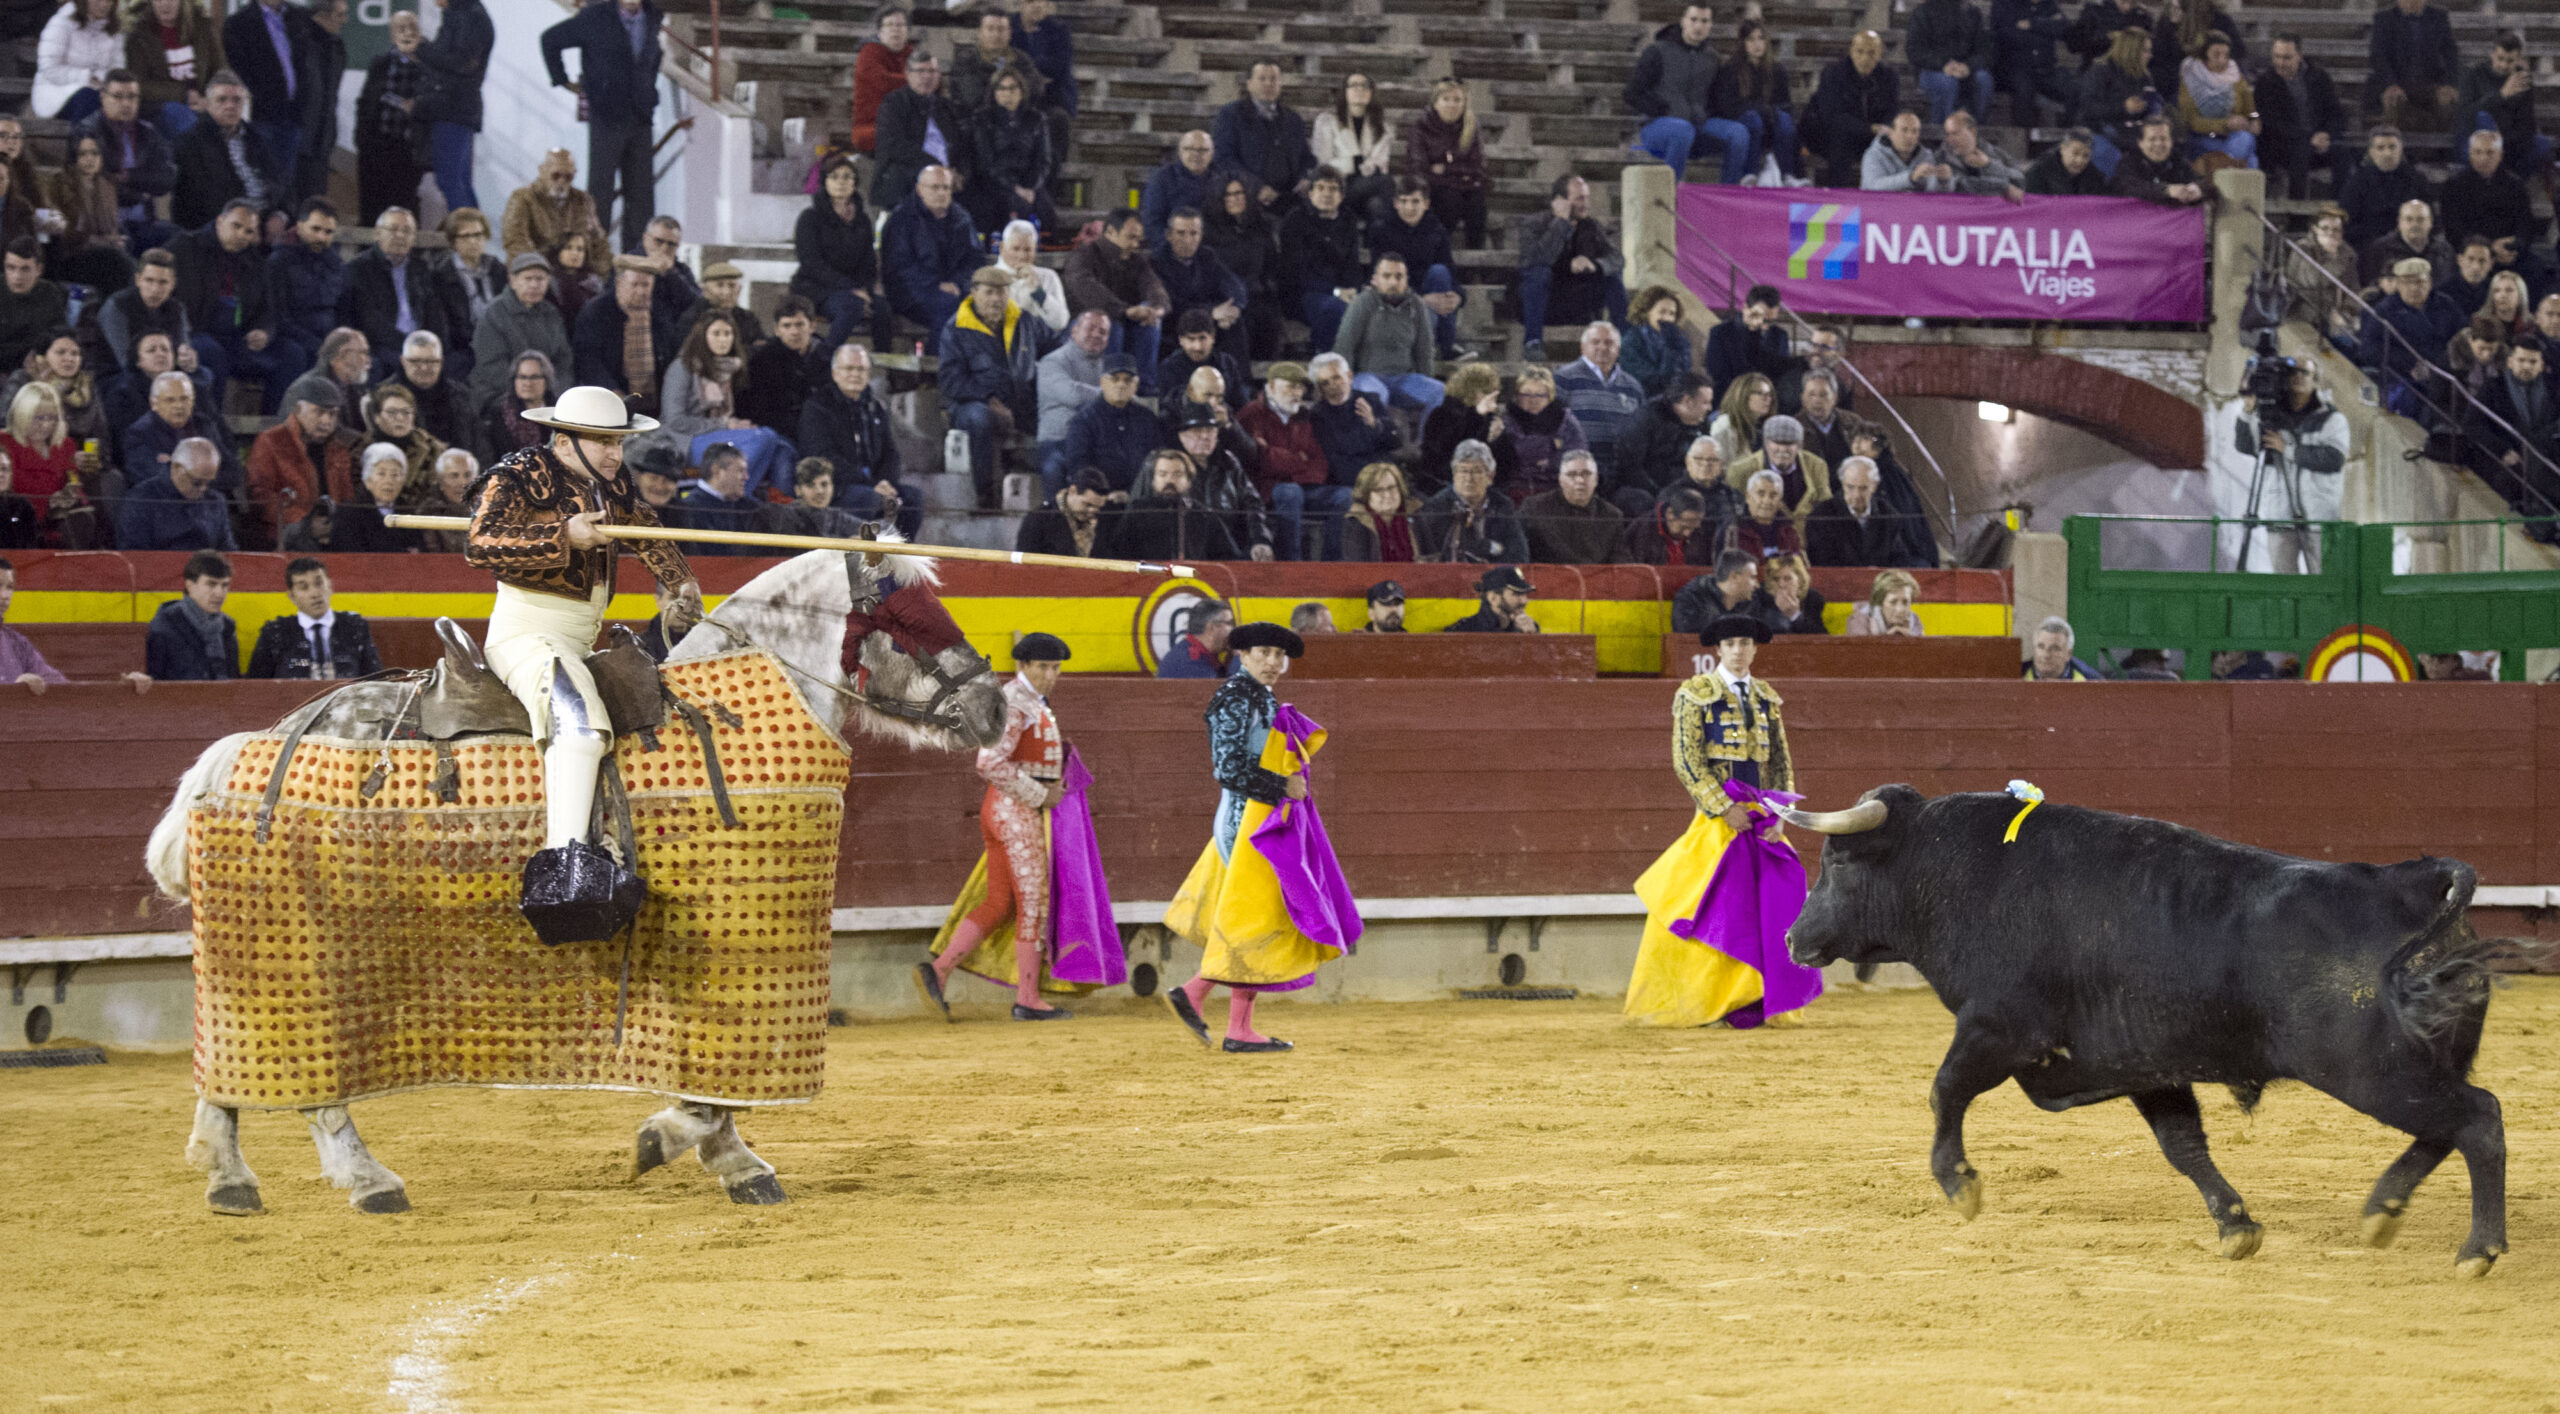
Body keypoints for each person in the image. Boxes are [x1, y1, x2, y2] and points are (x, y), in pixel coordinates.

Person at [464, 384, 701, 940]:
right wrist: (562, 535)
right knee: (578, 726)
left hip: (578, 639)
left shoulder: (609, 482)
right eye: (602, 441)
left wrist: (680, 580)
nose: (615, 453)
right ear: (565, 441)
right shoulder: (518, 474)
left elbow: (643, 528)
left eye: (618, 442)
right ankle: (563, 873)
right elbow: (479, 544)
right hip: (525, 636)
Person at [1162, 621, 1356, 1053]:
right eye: (1263, 653)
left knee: (1251, 915)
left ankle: (1233, 1023)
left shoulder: (1259, 695)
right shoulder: (1235, 696)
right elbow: (1227, 769)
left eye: (1278, 655)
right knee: (1257, 916)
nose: (1272, 661)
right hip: (1244, 819)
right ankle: (1200, 998)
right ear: (1243, 655)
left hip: (1259, 818)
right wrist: (1280, 785)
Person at [1624, 611, 1815, 1029]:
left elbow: (1781, 763)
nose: (1738, 651)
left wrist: (1780, 814)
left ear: (1754, 649)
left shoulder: (1767, 698)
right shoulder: (1695, 694)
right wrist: (1723, 808)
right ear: (1718, 649)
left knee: (1767, 906)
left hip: (1761, 819)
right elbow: (1687, 760)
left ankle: (1754, 997)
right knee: (1707, 903)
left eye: (1745, 644)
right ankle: (1705, 998)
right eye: (1731, 644)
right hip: (1717, 821)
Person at [917, 629, 1090, 1022]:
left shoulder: (1028, 701)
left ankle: (938, 972)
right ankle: (1028, 998)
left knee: (1000, 902)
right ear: (1022, 665)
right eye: (1043, 666)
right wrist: (1040, 794)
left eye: (1056, 667)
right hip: (1016, 813)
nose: (1051, 674)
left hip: (1004, 811)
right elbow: (989, 762)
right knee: (1035, 903)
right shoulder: (1014, 702)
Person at [540, 0, 663, 253]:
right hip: (607, 116)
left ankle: (636, 260)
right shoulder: (595, 16)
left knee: (641, 197)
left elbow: (650, 59)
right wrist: (561, 79)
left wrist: (648, 91)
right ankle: (596, 259)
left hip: (640, 116)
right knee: (600, 193)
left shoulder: (653, 16)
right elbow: (550, 39)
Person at [794, 342, 921, 538]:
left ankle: (899, 554)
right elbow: (823, 456)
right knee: (871, 500)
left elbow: (890, 453)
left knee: (912, 498)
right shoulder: (817, 407)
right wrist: (871, 484)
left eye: (861, 369)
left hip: (874, 483)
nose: (855, 374)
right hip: (839, 486)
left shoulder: (874, 406)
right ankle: (862, 555)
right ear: (835, 373)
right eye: (849, 368)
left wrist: (885, 481)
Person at [1625, 4, 1748, 183]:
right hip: (1658, 126)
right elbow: (1632, 93)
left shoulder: (1712, 58)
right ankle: (1670, 192)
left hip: (1698, 125)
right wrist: (1660, 109)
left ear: (1710, 25)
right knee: (1682, 130)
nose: (1698, 26)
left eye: (1704, 21)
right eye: (1693, 20)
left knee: (1738, 133)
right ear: (1683, 21)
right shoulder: (1657, 51)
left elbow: (1717, 99)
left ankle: (1729, 192)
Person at [335, 208, 458, 384]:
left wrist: (437, 345)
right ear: (377, 234)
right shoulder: (359, 269)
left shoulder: (422, 269)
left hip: (422, 346)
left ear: (413, 237)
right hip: (381, 347)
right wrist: (410, 345)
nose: (400, 235)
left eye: (407, 231)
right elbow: (370, 321)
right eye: (393, 229)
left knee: (452, 363)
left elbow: (436, 315)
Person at [70, 67, 175, 258]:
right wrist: (141, 193)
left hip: (144, 220)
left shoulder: (148, 132)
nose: (126, 103)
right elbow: (94, 181)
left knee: (179, 239)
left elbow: (167, 178)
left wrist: (127, 176)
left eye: (132, 97)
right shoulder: (86, 132)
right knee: (123, 245)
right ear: (103, 97)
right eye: (118, 97)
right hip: (104, 222)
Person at [1062, 208, 1169, 384]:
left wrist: (1156, 309)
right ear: (1111, 231)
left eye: (1138, 239)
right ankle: (1109, 385)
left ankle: (1144, 387)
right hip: (1080, 326)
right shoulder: (1083, 256)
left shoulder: (1136, 260)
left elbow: (1153, 286)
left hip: (1125, 322)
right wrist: (1124, 311)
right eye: (1131, 237)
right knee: (1108, 322)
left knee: (1149, 320)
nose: (1136, 244)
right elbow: (1088, 289)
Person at [167, 70, 282, 232]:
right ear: (208, 104)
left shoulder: (258, 139)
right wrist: (245, 226)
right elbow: (200, 202)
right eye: (222, 100)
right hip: (221, 229)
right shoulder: (189, 143)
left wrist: (280, 216)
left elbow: (283, 187)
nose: (230, 106)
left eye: (236, 100)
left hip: (265, 224)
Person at [1516, 174, 1625, 345]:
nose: (1586, 204)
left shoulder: (1591, 225)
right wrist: (1561, 222)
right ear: (1560, 201)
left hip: (1577, 302)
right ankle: (1533, 342)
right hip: (1545, 302)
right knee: (1538, 273)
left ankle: (1625, 343)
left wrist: (1594, 265)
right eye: (1580, 198)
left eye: (1587, 198)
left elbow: (1617, 259)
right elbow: (1536, 259)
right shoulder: (1534, 224)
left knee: (1612, 277)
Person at [2462, 336, 2557, 528]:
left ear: (2541, 365)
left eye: (2533, 362)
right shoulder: (2493, 388)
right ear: (2510, 362)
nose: (2526, 366)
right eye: (2521, 360)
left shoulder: (2553, 388)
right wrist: (2502, 450)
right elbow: (2472, 424)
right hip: (2509, 460)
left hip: (2544, 457)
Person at [1275, 167, 1367, 354]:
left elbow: (1353, 263)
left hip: (1340, 291)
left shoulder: (1347, 219)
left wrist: (1353, 290)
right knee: (1334, 308)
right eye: (1321, 188)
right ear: (1310, 193)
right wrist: (1335, 291)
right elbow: (1296, 273)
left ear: (1341, 195)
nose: (1327, 194)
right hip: (1304, 293)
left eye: (1333, 189)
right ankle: (1326, 357)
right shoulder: (1295, 219)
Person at [217, 0, 310, 184]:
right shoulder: (238, 23)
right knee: (260, 182)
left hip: (294, 116)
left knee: (286, 185)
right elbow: (239, 73)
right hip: (261, 118)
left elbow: (306, 66)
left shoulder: (298, 17)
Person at [1336, 253, 1442, 414]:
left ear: (1406, 280)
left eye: (1399, 277)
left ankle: (1427, 431)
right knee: (1377, 395)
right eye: (1387, 276)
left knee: (1441, 392)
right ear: (1375, 279)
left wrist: (1425, 380)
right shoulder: (1362, 303)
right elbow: (1345, 346)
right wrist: (1345, 386)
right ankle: (1378, 431)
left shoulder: (1417, 306)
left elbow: (1424, 351)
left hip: (1404, 379)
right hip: (1367, 376)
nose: (1393, 282)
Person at [2360, 257, 2464, 418]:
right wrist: (2410, 363)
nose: (2414, 288)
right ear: (2398, 285)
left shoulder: (2446, 304)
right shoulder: (2385, 310)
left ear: (2430, 283)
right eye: (2407, 282)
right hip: (2403, 377)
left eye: (2420, 282)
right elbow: (2368, 349)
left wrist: (2440, 364)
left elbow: (2460, 338)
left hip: (2442, 374)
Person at [963, 64, 1058, 240]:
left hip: (1028, 180)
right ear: (994, 93)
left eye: (1013, 88)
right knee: (1014, 206)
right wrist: (1014, 187)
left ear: (1022, 91)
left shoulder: (1037, 119)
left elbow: (1043, 159)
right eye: (1002, 88)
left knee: (1045, 211)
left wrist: (1031, 186)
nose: (1008, 93)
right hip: (995, 181)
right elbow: (986, 161)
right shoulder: (982, 118)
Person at [246, 555, 379, 679]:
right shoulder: (274, 632)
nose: (315, 593)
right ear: (292, 596)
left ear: (330, 586)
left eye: (319, 583)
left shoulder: (354, 626)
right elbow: (256, 685)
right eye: (304, 587)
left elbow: (376, 680)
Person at [571, 257, 676, 412]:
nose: (641, 291)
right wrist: (613, 393)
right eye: (635, 284)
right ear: (619, 283)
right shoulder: (596, 312)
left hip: (656, 403)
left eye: (646, 285)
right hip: (608, 400)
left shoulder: (659, 312)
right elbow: (588, 360)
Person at [351, 9, 425, 224]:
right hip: (376, 145)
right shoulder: (380, 63)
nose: (407, 33)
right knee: (371, 207)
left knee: (404, 207)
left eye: (412, 28)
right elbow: (365, 102)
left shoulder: (428, 67)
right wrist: (361, 139)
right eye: (401, 29)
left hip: (408, 150)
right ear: (392, 35)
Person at [1153, 207, 1251, 368]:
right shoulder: (1156, 262)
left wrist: (1234, 308)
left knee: (1235, 323)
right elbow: (1171, 305)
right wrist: (1211, 312)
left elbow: (1234, 285)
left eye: (1194, 234)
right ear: (1169, 235)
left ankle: (1239, 380)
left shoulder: (1207, 256)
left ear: (1201, 235)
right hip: (1175, 323)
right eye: (1181, 233)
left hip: (1210, 320)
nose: (1188, 240)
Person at [120, 365, 237, 499]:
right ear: (154, 403)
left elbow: (232, 472)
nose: (179, 406)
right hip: (163, 504)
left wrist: (184, 473)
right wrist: (205, 472)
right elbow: (153, 478)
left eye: (184, 399)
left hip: (208, 502)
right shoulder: (139, 433)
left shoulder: (204, 425)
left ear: (192, 401)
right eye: (170, 400)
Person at [1216, 60, 1314, 220]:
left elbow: (1306, 158)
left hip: (1289, 198)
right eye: (1262, 79)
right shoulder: (1231, 115)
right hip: (1248, 196)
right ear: (1249, 84)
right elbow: (1224, 159)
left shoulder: (1293, 119)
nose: (1268, 84)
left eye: (1274, 79)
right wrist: (1256, 187)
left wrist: (1304, 178)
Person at [1613, 372, 1718, 520]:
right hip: (1644, 490)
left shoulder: (1702, 423)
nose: (1710, 408)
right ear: (1687, 401)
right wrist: (1664, 495)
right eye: (1705, 402)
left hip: (1681, 490)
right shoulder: (1646, 418)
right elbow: (1630, 468)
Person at [1048, 351, 1154, 496]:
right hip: (1098, 498)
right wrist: (1103, 494)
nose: (1121, 385)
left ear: (1136, 385)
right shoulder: (1083, 420)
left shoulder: (1147, 418)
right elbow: (1079, 466)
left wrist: (1133, 494)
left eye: (1128, 380)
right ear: (1103, 383)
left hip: (1140, 498)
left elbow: (1155, 460)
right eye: (1114, 379)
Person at [2256, 33, 2346, 201]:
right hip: (2283, 145)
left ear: (2299, 56)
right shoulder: (2266, 83)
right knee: (2300, 152)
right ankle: (2296, 211)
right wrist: (2308, 138)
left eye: (2287, 57)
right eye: (2277, 57)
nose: (2280, 62)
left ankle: (2339, 207)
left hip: (2318, 141)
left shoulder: (2319, 77)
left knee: (2343, 154)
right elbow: (2272, 123)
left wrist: (2326, 135)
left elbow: (2335, 113)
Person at [1802, 29, 1899, 185]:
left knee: (1895, 141)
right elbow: (1831, 116)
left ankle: (1885, 193)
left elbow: (1892, 111)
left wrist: (1885, 129)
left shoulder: (1889, 77)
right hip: (1829, 135)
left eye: (1871, 53)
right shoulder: (1833, 74)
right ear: (1852, 52)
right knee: (1841, 141)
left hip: (1870, 136)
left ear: (1879, 55)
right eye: (1860, 52)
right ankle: (1838, 194)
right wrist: (1870, 128)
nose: (1865, 58)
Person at [1111, 448, 1242, 563]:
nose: (1169, 480)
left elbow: (1229, 557)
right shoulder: (1138, 512)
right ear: (1153, 480)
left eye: (1177, 474)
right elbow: (1119, 555)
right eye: (1162, 474)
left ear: (1189, 480)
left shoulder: (1203, 514)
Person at [869, 50, 962, 211]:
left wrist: (960, 173)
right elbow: (894, 145)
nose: (926, 76)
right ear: (908, 74)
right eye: (920, 71)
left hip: (947, 181)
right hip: (907, 179)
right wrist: (937, 168)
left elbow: (961, 144)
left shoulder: (946, 107)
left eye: (932, 71)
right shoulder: (893, 104)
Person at [1806, 455, 1933, 568]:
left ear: (1874, 486)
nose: (1856, 495)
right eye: (1850, 487)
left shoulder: (1888, 514)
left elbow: (1900, 559)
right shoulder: (1822, 515)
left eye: (1863, 488)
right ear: (1842, 483)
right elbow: (1821, 563)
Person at [1553, 321, 1646, 475]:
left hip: (1619, 471)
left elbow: (1640, 430)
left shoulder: (1633, 386)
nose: (1603, 347)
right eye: (1595, 342)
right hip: (1577, 471)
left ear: (1618, 349)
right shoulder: (1563, 378)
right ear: (1583, 347)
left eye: (1609, 343)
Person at [1710, 19, 1796, 183]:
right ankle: (1750, 173)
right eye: (1751, 39)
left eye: (1761, 38)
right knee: (1753, 118)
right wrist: (1758, 110)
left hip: (1770, 125)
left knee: (1784, 119)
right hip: (1744, 124)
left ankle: (1788, 175)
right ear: (1743, 43)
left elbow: (1786, 104)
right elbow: (1727, 107)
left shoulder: (1777, 70)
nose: (1757, 44)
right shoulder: (1731, 70)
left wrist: (1772, 113)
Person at [1417, 439, 1525, 565]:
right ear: (1454, 474)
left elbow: (1519, 555)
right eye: (1463, 470)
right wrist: (1492, 547)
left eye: (1477, 471)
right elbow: (1431, 555)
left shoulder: (1501, 505)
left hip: (1492, 574)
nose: (1469, 478)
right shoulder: (1436, 507)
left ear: (1490, 476)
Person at [1493, 365, 1587, 506]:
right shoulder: (1506, 421)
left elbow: (1578, 456)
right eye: (1526, 395)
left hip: (1556, 492)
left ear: (1550, 396)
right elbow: (1507, 461)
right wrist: (1550, 445)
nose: (1533, 400)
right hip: (1514, 492)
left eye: (1540, 395)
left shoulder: (1565, 420)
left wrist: (1544, 458)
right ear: (1517, 396)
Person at [2366, 0, 2460, 135]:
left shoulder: (2439, 16)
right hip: (2398, 83)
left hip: (2431, 85)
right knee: (2392, 100)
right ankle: (2391, 142)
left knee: (2448, 101)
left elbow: (2451, 54)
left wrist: (2448, 84)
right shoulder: (2384, 18)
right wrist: (2390, 85)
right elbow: (2378, 56)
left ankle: (2442, 145)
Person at [1314, 72, 1396, 222]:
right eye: (1353, 85)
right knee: (1385, 182)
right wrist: (1354, 163)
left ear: (1371, 93)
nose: (1359, 89)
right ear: (1344, 92)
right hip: (1337, 186)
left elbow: (1381, 163)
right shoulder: (1327, 122)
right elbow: (1322, 162)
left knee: (1377, 205)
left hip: (1369, 189)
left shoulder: (1383, 127)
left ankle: (1379, 237)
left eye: (1364, 86)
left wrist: (1360, 165)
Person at [142, 547, 237, 677]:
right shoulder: (164, 627)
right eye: (211, 584)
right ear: (190, 585)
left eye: (224, 585)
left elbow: (234, 681)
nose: (219, 593)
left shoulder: (227, 627)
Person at [501, 148, 608, 263]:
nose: (561, 181)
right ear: (542, 171)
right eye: (556, 175)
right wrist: (538, 266)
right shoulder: (522, 197)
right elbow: (515, 240)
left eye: (568, 177)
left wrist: (604, 269)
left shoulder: (583, 200)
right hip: (533, 268)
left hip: (573, 270)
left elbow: (598, 242)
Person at [2461, 32, 2545, 175]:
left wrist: (2505, 141)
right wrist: (2501, 95)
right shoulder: (2474, 74)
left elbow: (2527, 121)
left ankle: (2514, 183)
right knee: (2483, 117)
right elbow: (2466, 115)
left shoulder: (2522, 79)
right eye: (2500, 58)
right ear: (2492, 54)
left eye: (2510, 61)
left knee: (2542, 144)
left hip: (2509, 142)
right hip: (2476, 140)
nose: (2504, 65)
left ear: (2518, 59)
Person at [2441, 131, 2535, 256]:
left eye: (2490, 152)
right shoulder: (2454, 185)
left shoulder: (2515, 185)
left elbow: (2525, 224)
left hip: (2508, 251)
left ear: (2500, 155)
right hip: (2469, 252)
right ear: (2470, 154)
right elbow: (2453, 228)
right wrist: (2489, 246)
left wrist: (2514, 245)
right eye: (2478, 152)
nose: (2483, 158)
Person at [1521, 449, 1623, 564]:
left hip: (1594, 575)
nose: (1580, 480)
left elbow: (1622, 563)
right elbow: (1519, 554)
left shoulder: (1612, 515)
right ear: (1560, 479)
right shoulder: (1534, 508)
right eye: (1572, 474)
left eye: (1586, 474)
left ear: (1596, 479)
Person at [2177, 33, 2258, 171]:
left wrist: (2254, 120)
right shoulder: (2191, 79)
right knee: (2249, 156)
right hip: (2204, 137)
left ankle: (2228, 172)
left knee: (2245, 140)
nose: (2222, 60)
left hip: (2234, 136)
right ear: (2204, 55)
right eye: (2216, 55)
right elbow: (2190, 120)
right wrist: (2225, 124)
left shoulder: (2236, 76)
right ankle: (2233, 172)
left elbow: (2251, 110)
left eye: (2226, 55)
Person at [2339, 128, 2426, 253]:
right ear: (2371, 152)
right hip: (2368, 247)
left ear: (2401, 149)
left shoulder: (2416, 180)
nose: (2387, 153)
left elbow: (2428, 219)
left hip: (2409, 247)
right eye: (2380, 148)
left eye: (2392, 147)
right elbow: (2348, 223)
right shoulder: (2356, 182)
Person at [1907, 0, 1993, 125]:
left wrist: (1968, 66)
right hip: (1933, 70)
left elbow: (1984, 51)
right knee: (1946, 82)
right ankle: (1944, 130)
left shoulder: (1973, 13)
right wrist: (1943, 65)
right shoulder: (1922, 12)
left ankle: (1975, 129)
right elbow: (1914, 51)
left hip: (1966, 70)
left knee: (1984, 80)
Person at [1, 555, 79, 688]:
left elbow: (61, 686)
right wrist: (16, 689)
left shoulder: (17, 642)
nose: (5, 595)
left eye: (10, 587)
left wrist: (119, 687)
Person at [1704, 286, 1788, 407]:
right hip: (1730, 403)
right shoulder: (1721, 333)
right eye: (1761, 319)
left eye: (1771, 321)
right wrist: (1751, 333)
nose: (1765, 327)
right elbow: (1717, 374)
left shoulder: (1779, 335)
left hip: (1766, 404)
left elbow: (1780, 375)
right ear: (1745, 308)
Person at [1015, 466, 1114, 558]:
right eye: (1087, 505)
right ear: (1072, 491)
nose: (1092, 511)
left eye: (1098, 507)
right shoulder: (1038, 519)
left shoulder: (1104, 520)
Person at [849, 8, 911, 154]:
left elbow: (931, 81)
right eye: (889, 25)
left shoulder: (911, 53)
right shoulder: (869, 52)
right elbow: (883, 83)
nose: (895, 29)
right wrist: (915, 82)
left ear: (907, 31)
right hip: (873, 126)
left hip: (907, 123)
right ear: (880, 30)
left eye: (900, 25)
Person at [0, 238, 66, 374]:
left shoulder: (50, 292)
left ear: (38, 270)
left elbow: (59, 334)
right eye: (11, 268)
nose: (17, 276)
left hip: (37, 367)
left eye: (25, 269)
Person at [2109, 115, 2205, 206]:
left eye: (2163, 138)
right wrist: (2166, 190)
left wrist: (2197, 188)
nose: (2158, 144)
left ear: (2171, 142)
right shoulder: (2128, 162)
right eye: (2152, 139)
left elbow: (2199, 180)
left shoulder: (2177, 159)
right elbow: (2129, 187)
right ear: (2140, 143)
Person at [2360, 197, 2454, 287]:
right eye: (2409, 219)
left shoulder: (2444, 250)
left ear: (2430, 222)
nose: (2415, 224)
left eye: (2420, 219)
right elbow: (2370, 286)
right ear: (2399, 222)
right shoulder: (2379, 250)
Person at [1621, 286, 1695, 401]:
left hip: (1674, 401)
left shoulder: (1680, 340)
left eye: (1672, 314)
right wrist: (1671, 349)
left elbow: (1684, 376)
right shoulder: (1631, 340)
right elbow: (1654, 382)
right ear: (1647, 312)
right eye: (1662, 312)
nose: (1667, 318)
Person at [1931, 110, 2026, 196]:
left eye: (1955, 133)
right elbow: (1959, 186)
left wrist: (1988, 165)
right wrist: (2002, 186)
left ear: (1973, 131)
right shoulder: (1939, 157)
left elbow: (2020, 180)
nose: (1950, 139)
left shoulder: (1995, 153)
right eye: (1948, 134)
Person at [1619, 481, 1715, 566]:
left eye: (1693, 528)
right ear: (1670, 514)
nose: (1688, 533)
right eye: (1683, 527)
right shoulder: (1643, 530)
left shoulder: (1704, 531)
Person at [1338, 460, 1414, 564]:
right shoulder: (1356, 522)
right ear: (1366, 495)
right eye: (1379, 490)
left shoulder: (1415, 513)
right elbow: (1357, 567)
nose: (1387, 495)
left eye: (1391, 488)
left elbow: (1431, 557)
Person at [1670, 548, 1760, 633]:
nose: (1757, 585)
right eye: (1752, 577)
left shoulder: (1753, 602)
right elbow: (1685, 640)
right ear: (1734, 577)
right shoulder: (1691, 598)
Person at [1863, 108, 1948, 192]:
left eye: (1914, 131)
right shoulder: (1873, 154)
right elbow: (1874, 186)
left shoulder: (1926, 156)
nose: (1910, 136)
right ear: (1891, 133)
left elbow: (1932, 191)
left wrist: (1942, 181)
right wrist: (1910, 177)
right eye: (1904, 130)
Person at [1158, 599, 1233, 679]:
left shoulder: (1188, 652)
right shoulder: (1190, 662)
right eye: (1230, 623)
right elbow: (1227, 686)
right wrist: (1239, 657)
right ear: (1212, 627)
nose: (1233, 629)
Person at [1755, 551, 1826, 635]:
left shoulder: (1812, 599)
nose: (1781, 584)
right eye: (1776, 579)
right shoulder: (1760, 597)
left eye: (1787, 578)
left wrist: (1794, 615)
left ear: (1800, 580)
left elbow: (1821, 637)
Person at [2022, 126, 2107, 195]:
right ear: (2062, 149)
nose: (2079, 160)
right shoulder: (2038, 172)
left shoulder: (2094, 177)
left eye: (2086, 156)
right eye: (2075, 153)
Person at [1845, 567, 1925, 635]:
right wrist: (1887, 638)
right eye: (1893, 602)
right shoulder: (1859, 621)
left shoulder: (1914, 621)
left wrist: (1911, 639)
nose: (1900, 609)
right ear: (1880, 603)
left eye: (1905, 602)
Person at [2024, 614, 2099, 680]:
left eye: (2055, 648)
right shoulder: (2020, 674)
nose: (2046, 655)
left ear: (2068, 654)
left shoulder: (2090, 681)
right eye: (2041, 647)